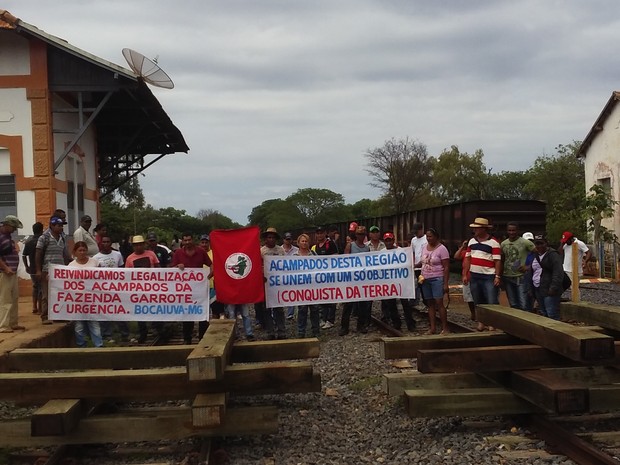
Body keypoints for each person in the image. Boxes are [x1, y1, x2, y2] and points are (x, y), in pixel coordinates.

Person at [171, 233, 213, 344]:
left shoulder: (201, 251)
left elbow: (211, 264)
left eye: (189, 240)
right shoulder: (178, 253)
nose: (188, 242)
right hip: (185, 290)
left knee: (202, 314)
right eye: (185, 240)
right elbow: (172, 269)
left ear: (192, 240)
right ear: (182, 242)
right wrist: (177, 267)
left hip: (200, 289)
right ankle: (187, 339)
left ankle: (202, 338)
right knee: (187, 314)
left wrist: (211, 273)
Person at [462, 217, 501, 331]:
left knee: (491, 300)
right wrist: (465, 274)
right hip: (475, 275)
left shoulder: (493, 243)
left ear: (484, 229)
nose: (475, 230)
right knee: (477, 300)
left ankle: (492, 323)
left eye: (477, 228)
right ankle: (481, 322)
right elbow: (468, 258)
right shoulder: (472, 241)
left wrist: (497, 276)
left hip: (488, 275)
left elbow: (497, 261)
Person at [125, 235, 162, 343]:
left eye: (140, 244)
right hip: (138, 290)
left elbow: (158, 268)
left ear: (144, 244)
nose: (139, 247)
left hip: (152, 288)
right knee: (140, 313)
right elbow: (127, 275)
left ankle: (159, 331)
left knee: (156, 311)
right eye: (136, 245)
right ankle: (143, 334)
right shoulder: (130, 258)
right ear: (133, 246)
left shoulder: (151, 254)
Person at [36, 216, 71, 325]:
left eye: (61, 226)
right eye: (59, 225)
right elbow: (38, 253)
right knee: (46, 294)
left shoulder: (63, 238)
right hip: (47, 269)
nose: (61, 228)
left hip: (59, 271)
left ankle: (58, 315)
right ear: (51, 226)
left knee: (58, 294)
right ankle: (45, 316)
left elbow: (65, 254)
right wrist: (38, 270)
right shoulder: (44, 237)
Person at [94, 234, 128, 343]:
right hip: (103, 290)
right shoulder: (95, 258)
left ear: (111, 243)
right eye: (103, 242)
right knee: (104, 313)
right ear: (100, 244)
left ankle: (124, 334)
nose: (106, 244)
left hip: (117, 289)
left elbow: (122, 271)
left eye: (108, 242)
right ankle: (106, 335)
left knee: (120, 312)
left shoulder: (118, 255)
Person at [68, 241, 103, 347]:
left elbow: (103, 277)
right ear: (75, 252)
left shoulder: (95, 262)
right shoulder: (71, 266)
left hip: (93, 300)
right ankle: (81, 347)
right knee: (79, 327)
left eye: (84, 250)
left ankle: (99, 347)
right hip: (77, 301)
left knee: (95, 325)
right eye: (80, 250)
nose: (82, 252)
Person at [379, 232, 416, 331]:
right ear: (384, 241)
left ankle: (410, 324)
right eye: (386, 240)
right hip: (389, 283)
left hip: (401, 282)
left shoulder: (401, 251)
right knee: (391, 305)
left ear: (393, 240)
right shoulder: (381, 252)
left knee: (406, 304)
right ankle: (396, 323)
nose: (388, 242)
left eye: (390, 240)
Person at [339, 225, 371, 336]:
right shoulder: (350, 245)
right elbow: (345, 260)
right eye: (359, 234)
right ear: (356, 235)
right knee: (348, 305)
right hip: (351, 280)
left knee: (363, 304)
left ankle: (361, 325)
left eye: (362, 234)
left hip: (362, 280)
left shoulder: (367, 248)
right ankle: (344, 327)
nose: (360, 236)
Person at [256, 227, 287, 340]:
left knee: (279, 308)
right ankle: (270, 332)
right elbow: (258, 265)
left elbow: (285, 265)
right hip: (266, 283)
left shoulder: (281, 250)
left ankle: (281, 331)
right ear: (266, 238)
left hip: (278, 284)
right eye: (269, 237)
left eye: (273, 237)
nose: (271, 239)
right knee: (266, 309)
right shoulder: (261, 251)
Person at [420, 228, 450, 334]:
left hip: (437, 278)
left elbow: (446, 267)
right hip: (425, 278)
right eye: (427, 236)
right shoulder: (424, 247)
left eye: (430, 236)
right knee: (430, 303)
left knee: (439, 302)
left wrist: (445, 283)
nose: (428, 238)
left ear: (436, 237)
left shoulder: (442, 249)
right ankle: (432, 328)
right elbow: (421, 262)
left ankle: (445, 327)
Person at [526, 234, 564, 320]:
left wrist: (553, 287)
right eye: (537, 244)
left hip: (549, 288)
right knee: (543, 313)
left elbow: (558, 272)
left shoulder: (553, 255)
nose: (539, 246)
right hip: (538, 288)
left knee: (552, 314)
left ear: (546, 243)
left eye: (541, 243)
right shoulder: (535, 255)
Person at [500, 222, 535, 311]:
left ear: (518, 231)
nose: (511, 232)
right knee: (513, 303)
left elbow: (539, 254)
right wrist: (500, 276)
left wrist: (528, 267)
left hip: (521, 276)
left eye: (514, 230)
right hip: (507, 276)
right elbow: (502, 260)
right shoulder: (504, 244)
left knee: (523, 303)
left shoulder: (525, 242)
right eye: (509, 230)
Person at [0, 215, 24, 333]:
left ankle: (13, 323)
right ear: (7, 225)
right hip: (4, 272)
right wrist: (5, 268)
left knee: (14, 298)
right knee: (5, 300)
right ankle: (3, 325)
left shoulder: (8, 236)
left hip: (12, 271)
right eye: (13, 227)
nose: (15, 230)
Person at [294, 233, 320, 338]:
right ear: (298, 243)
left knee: (314, 309)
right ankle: (301, 331)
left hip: (312, 286)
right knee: (302, 310)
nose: (304, 243)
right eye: (302, 241)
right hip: (301, 287)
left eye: (306, 241)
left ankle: (316, 330)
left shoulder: (313, 254)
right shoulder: (294, 256)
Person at [314, 226, 339, 329]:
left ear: (325, 233)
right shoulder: (315, 246)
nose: (319, 235)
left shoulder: (331, 244)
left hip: (330, 275)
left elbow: (336, 257)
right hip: (320, 276)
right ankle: (323, 318)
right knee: (322, 297)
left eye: (321, 233)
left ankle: (330, 320)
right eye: (318, 233)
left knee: (331, 298)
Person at [558, 231, 591, 298]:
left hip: (575, 269)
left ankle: (576, 300)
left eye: (567, 240)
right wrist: (562, 244)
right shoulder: (566, 244)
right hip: (566, 268)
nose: (566, 242)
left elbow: (588, 252)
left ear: (571, 238)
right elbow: (559, 252)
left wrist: (585, 261)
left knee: (574, 287)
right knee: (562, 284)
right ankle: (558, 297)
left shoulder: (579, 243)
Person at [22, 221, 44, 314]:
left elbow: (24, 255)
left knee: (35, 287)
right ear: (41, 230)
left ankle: (34, 307)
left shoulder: (29, 241)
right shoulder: (42, 240)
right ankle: (40, 308)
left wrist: (26, 266)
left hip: (32, 268)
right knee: (41, 288)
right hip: (41, 267)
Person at [454, 240, 476, 322]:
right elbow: (456, 256)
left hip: (475, 277)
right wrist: (463, 247)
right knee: (469, 298)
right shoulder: (465, 253)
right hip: (467, 277)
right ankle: (473, 313)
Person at [410, 222, 427, 310]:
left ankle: (427, 302)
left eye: (417, 231)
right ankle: (424, 302)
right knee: (420, 285)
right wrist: (413, 263)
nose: (415, 233)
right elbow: (412, 252)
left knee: (424, 285)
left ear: (421, 230)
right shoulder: (413, 240)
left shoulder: (426, 239)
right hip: (417, 267)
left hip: (424, 267)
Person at [282, 232, 299, 320]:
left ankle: (290, 313)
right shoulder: (279, 250)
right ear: (283, 240)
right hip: (281, 275)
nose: (288, 241)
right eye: (286, 239)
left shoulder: (296, 250)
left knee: (292, 293)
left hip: (293, 275)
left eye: (289, 239)